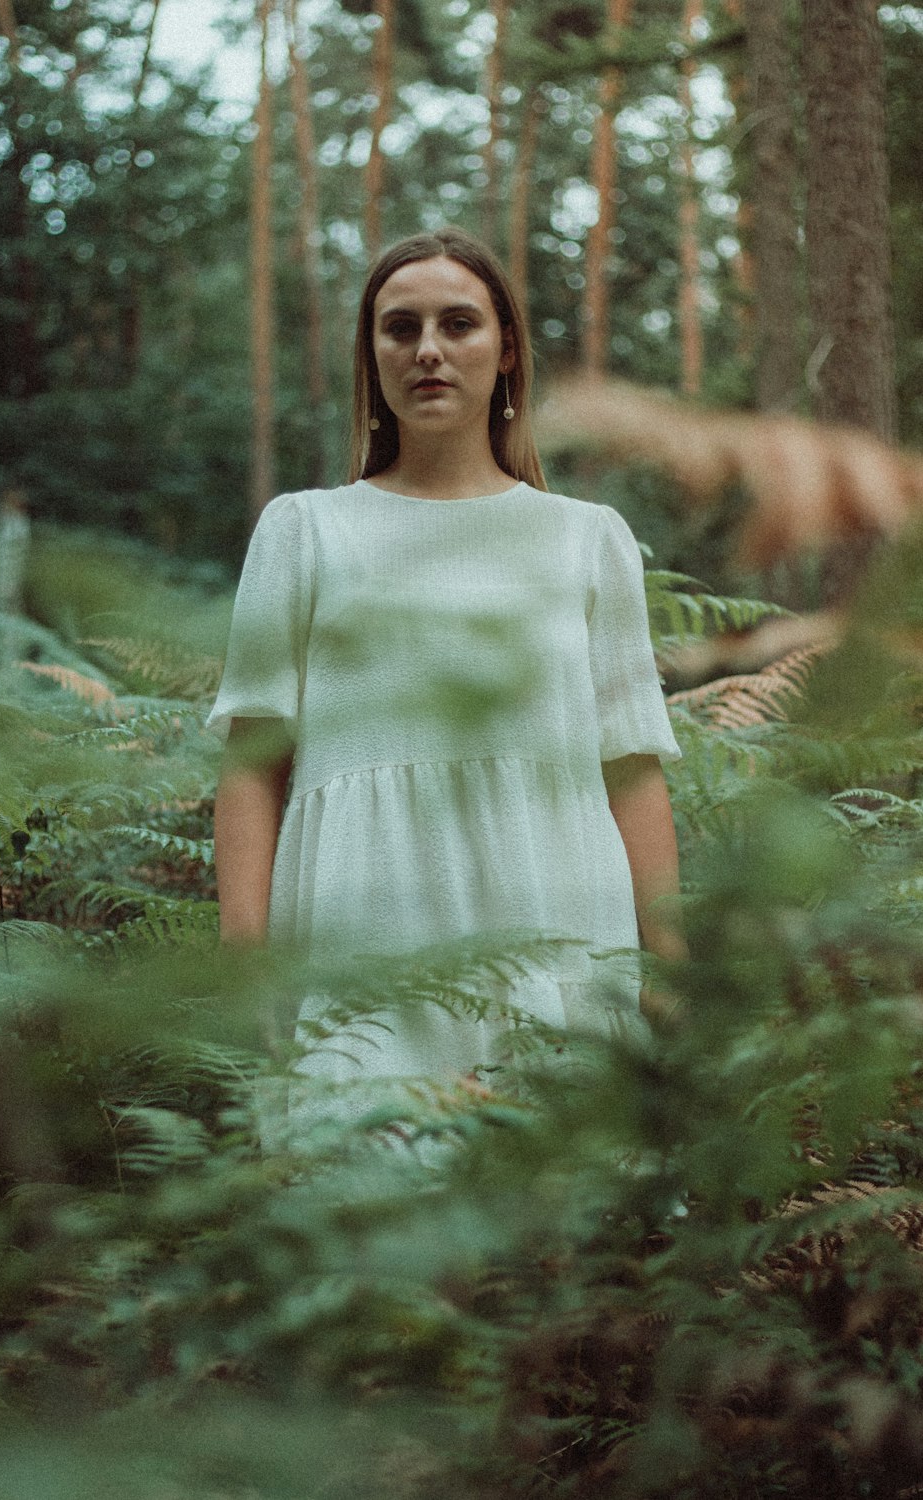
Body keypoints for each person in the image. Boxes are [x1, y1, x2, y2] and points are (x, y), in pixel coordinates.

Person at [208, 228, 684, 1115]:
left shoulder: (589, 538)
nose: (427, 349)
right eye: (400, 328)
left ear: (506, 353)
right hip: (358, 930)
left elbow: (630, 766)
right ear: (373, 357)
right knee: (364, 1218)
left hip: (558, 919)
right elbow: (251, 765)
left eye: (458, 324)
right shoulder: (304, 530)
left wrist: (670, 970)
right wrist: (250, 967)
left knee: (558, 1230)